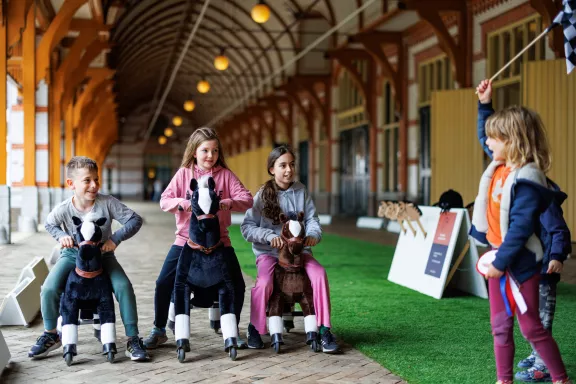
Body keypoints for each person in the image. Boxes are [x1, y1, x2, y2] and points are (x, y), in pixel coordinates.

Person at [473, 80, 571, 384]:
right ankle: (504, 381)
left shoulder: (528, 177)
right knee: (500, 326)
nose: (487, 143)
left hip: (521, 264)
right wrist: (484, 105)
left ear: (512, 140)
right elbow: (483, 136)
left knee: (531, 327)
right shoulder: (501, 165)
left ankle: (560, 379)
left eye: (494, 138)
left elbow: (520, 227)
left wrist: (501, 263)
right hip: (498, 260)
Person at [28, 156, 149, 361]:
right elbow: (50, 224)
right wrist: (61, 236)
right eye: (87, 180)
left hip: (104, 256)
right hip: (72, 255)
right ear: (71, 184)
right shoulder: (64, 208)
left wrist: (115, 238)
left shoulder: (108, 203)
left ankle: (133, 339)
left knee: (123, 286)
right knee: (48, 288)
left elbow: (135, 220)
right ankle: (51, 335)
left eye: (96, 180)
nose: (94, 185)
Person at [144, 127, 253, 349]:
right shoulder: (184, 174)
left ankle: (231, 328)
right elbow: (165, 200)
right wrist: (183, 204)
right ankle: (158, 329)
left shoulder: (225, 175)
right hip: (186, 241)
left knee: (238, 284)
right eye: (205, 150)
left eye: (214, 150)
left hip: (219, 242)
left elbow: (247, 199)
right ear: (194, 151)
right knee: (163, 282)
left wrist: (227, 203)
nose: (210, 156)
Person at [241, 145, 340, 353]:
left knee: (319, 274)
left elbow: (312, 219)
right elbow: (247, 227)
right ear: (272, 169)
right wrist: (269, 236)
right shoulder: (262, 195)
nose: (288, 170)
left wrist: (313, 235)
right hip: (269, 254)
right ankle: (256, 328)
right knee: (265, 283)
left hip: (299, 253)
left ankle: (324, 330)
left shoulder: (301, 191)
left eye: (292, 164)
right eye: (283, 165)